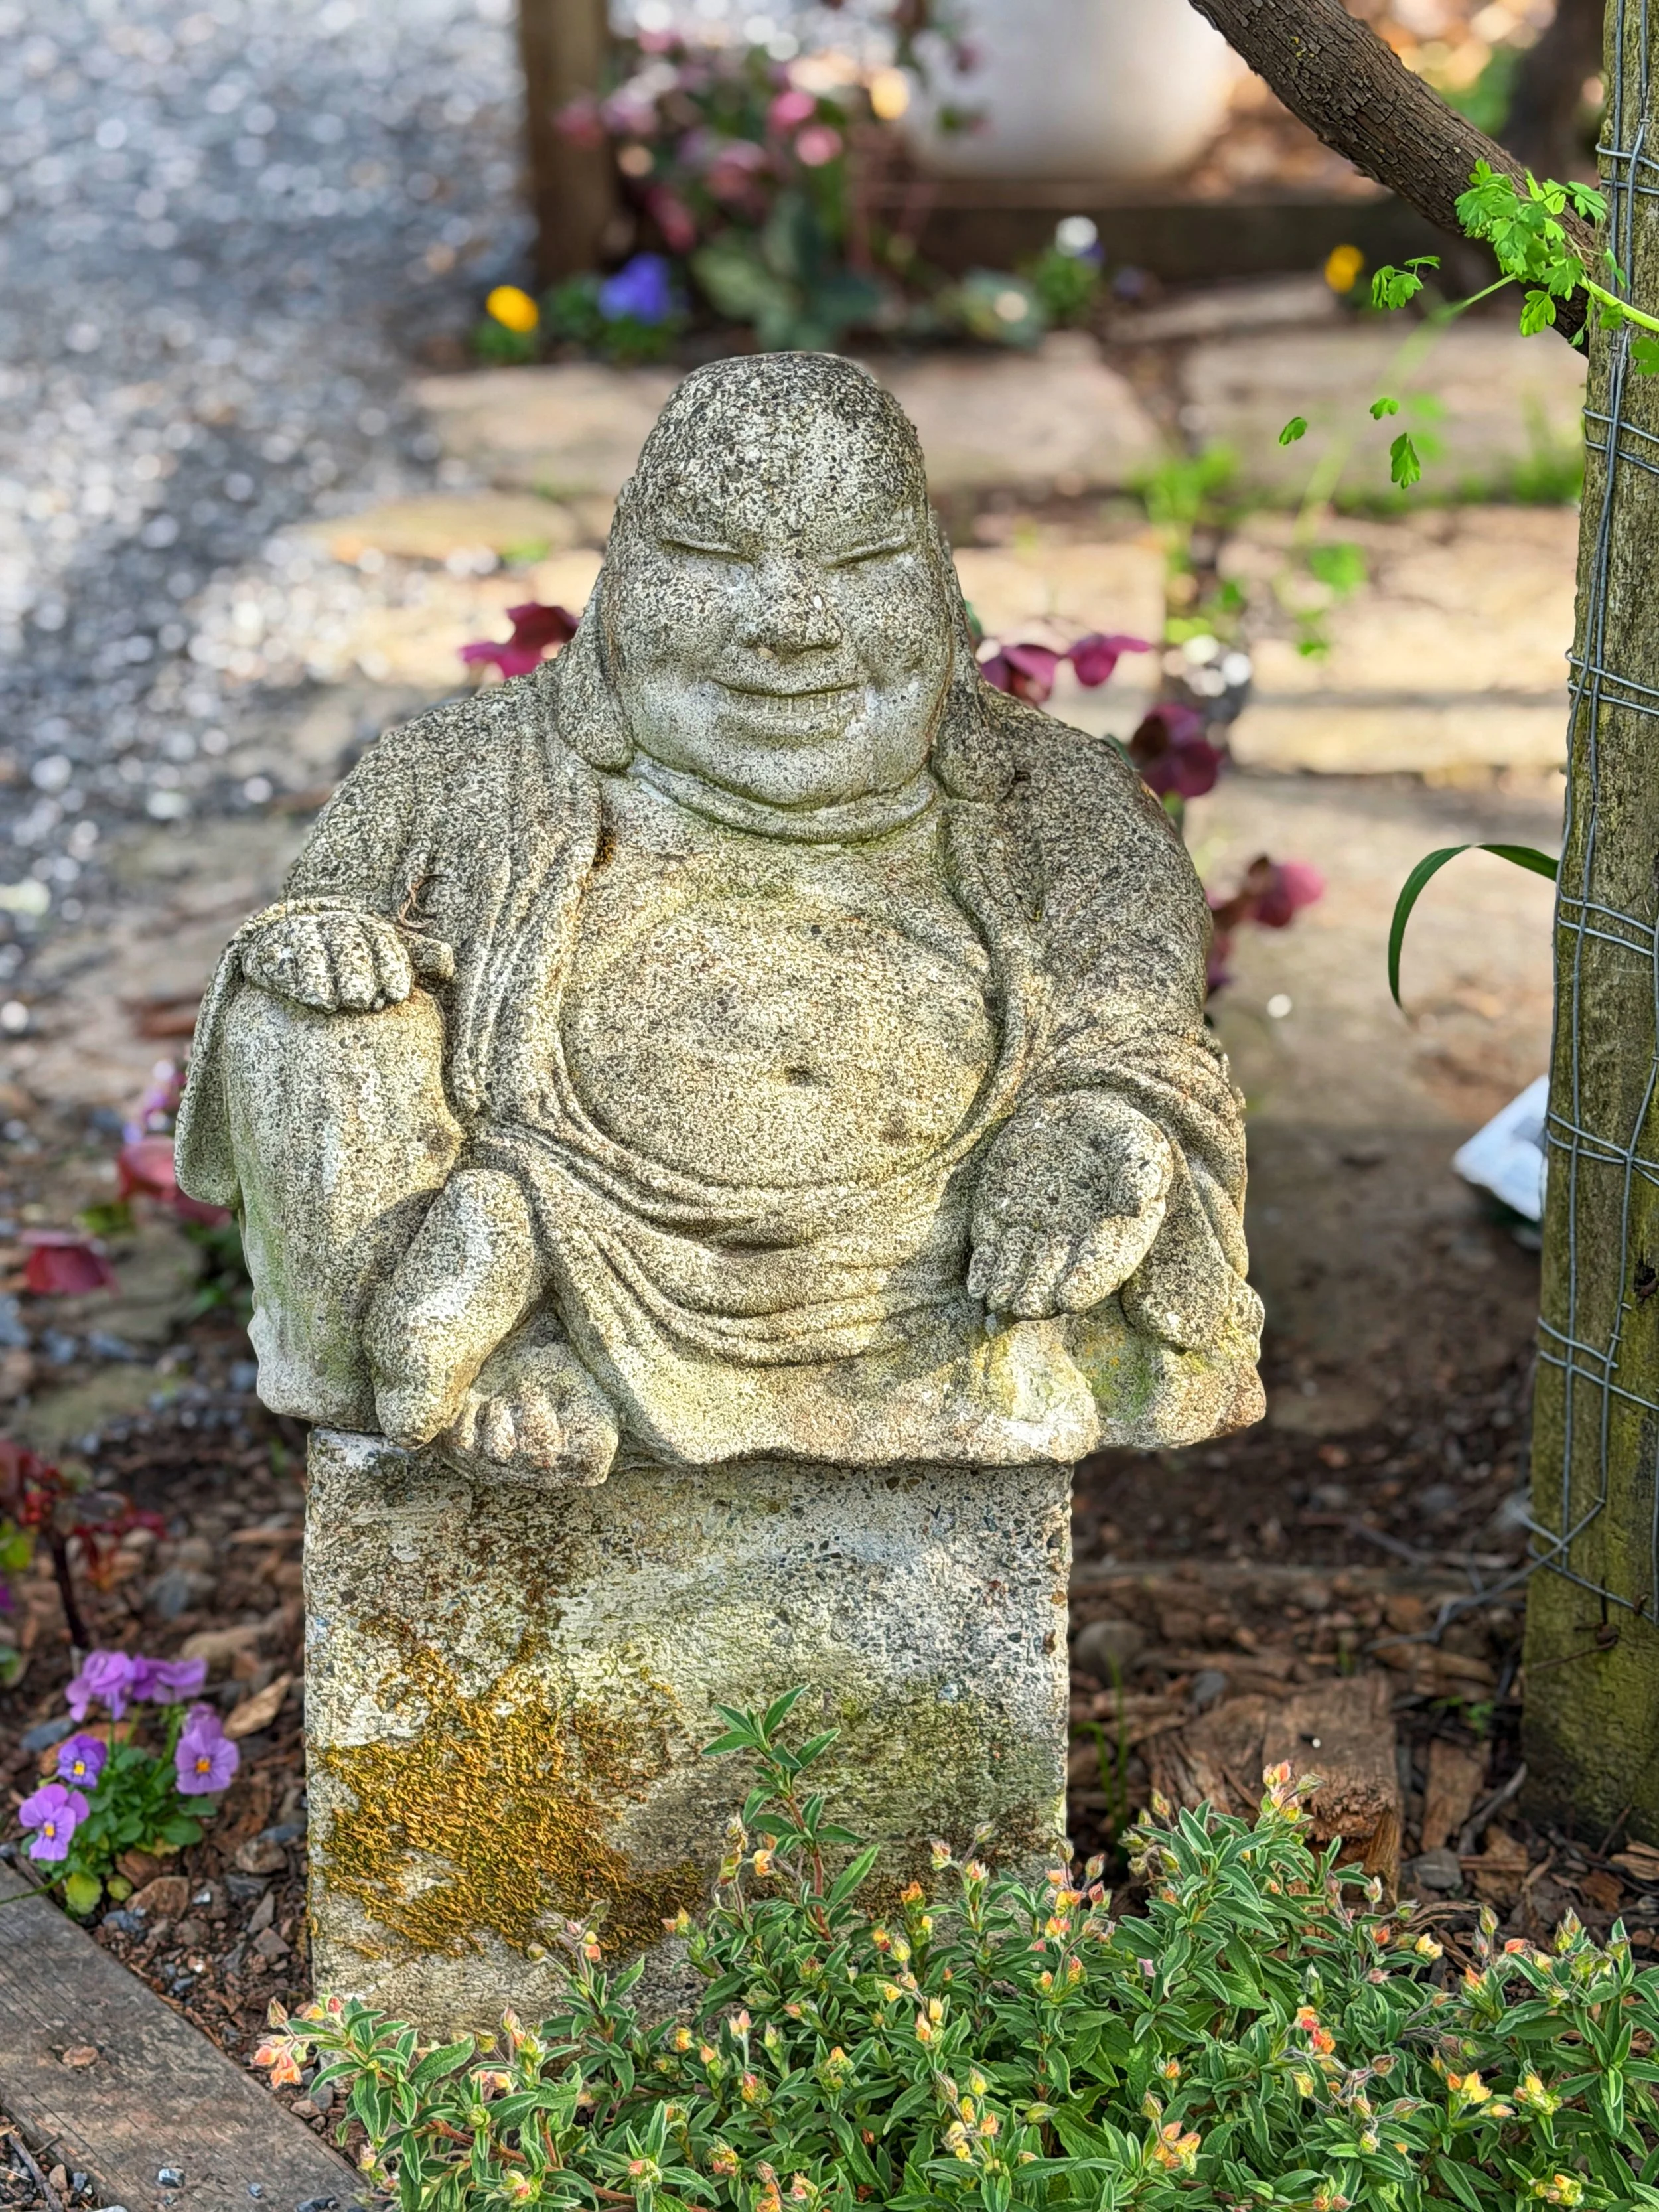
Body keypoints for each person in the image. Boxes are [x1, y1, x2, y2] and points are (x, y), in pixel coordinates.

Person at [178, 352, 1262, 1481]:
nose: (789, 624)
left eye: (861, 562)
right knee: (297, 1027)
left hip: (927, 1254)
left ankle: (517, 1282)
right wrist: (321, 942)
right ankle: (503, 1329)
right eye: (708, 559)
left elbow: (1140, 1011)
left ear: (936, 584)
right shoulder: (461, 770)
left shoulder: (1057, 799)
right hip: (566, 1190)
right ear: (621, 585)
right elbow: (317, 911)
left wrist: (1104, 1118)